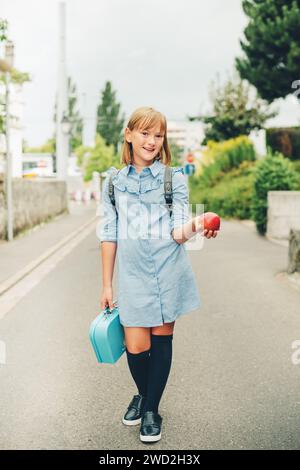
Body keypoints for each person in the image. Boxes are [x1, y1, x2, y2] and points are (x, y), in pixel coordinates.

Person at [97, 106, 218, 443]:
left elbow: (178, 232)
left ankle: (151, 409)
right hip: (133, 277)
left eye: (158, 135)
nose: (152, 141)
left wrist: (198, 223)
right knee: (136, 348)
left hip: (168, 272)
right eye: (145, 133)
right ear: (129, 134)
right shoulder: (114, 182)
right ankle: (144, 394)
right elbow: (109, 233)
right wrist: (107, 284)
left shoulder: (173, 178)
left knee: (161, 343)